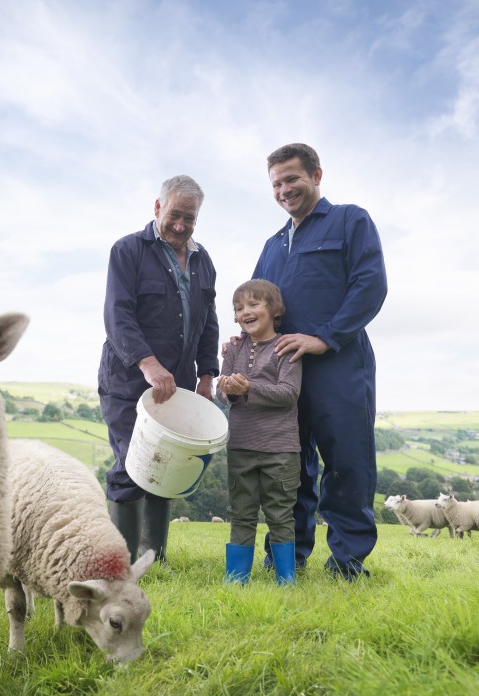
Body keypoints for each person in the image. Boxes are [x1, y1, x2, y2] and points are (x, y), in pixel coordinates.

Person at [253, 143, 387, 580]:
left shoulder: (351, 220)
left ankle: (347, 564)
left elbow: (370, 286)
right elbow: (257, 302)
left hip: (339, 366)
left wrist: (324, 339)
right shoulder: (272, 244)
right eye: (276, 183)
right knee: (288, 467)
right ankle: (286, 559)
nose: (284, 189)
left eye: (292, 178)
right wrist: (247, 339)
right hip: (283, 371)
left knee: (347, 461)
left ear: (316, 175)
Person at [98, 174, 220, 566]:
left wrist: (206, 375)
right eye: (175, 215)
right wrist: (148, 364)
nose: (181, 225)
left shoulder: (204, 262)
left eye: (190, 218)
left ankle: (156, 557)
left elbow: (209, 320)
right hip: (129, 379)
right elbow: (118, 315)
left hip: (179, 385)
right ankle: (122, 563)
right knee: (129, 464)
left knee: (165, 467)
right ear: (157, 208)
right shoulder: (128, 251)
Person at [217, 279, 302, 586]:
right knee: (241, 513)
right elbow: (222, 393)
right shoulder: (234, 348)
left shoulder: (286, 347)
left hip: (280, 449)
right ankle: (236, 580)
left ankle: (286, 581)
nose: (245, 312)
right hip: (240, 445)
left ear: (274, 309)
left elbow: (289, 393)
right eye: (239, 308)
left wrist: (250, 387)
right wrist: (228, 390)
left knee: (280, 516)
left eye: (253, 305)